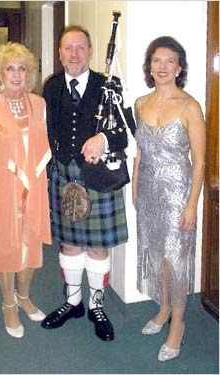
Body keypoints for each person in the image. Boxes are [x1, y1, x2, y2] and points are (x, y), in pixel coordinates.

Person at [41, 25, 134, 341]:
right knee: (69, 244)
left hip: (94, 178)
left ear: (90, 50)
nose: (74, 54)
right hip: (64, 177)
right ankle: (73, 302)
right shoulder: (52, 87)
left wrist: (103, 138)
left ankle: (97, 305)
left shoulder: (107, 85)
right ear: (60, 52)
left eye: (80, 47)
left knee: (96, 247)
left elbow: (123, 131)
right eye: (68, 48)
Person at [0, 42, 52, 339]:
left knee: (31, 247)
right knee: (6, 248)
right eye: (10, 68)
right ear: (0, 74)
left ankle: (25, 296)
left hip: (34, 190)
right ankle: (8, 304)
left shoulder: (39, 105)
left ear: (29, 74)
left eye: (22, 68)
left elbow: (47, 148)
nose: (16, 74)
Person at [132, 36, 206, 361]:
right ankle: (163, 308)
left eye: (169, 61)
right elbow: (139, 152)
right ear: (150, 66)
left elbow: (201, 161)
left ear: (179, 67)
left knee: (177, 261)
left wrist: (192, 204)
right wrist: (135, 187)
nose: (162, 67)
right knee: (157, 253)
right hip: (148, 189)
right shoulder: (139, 103)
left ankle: (178, 325)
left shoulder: (190, 106)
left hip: (178, 193)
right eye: (156, 60)